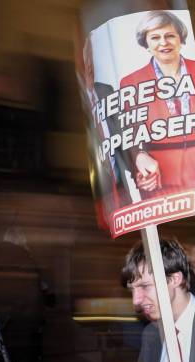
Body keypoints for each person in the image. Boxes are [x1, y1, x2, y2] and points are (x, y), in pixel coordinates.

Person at [119, 10, 195, 203]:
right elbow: (129, 133)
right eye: (155, 37)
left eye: (170, 36)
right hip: (160, 179)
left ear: (180, 39)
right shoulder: (131, 82)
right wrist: (139, 157)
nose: (163, 42)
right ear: (146, 43)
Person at [83, 35, 131, 227]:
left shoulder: (106, 90)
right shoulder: (83, 101)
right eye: (89, 58)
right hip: (100, 187)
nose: (92, 65)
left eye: (97, 59)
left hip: (119, 181)